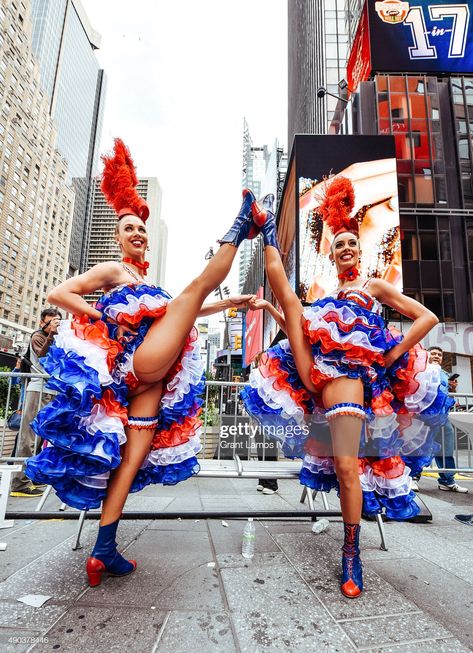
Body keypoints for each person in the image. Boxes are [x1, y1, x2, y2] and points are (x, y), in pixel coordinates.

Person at [24, 139, 257, 587]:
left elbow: (178, 311)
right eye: (129, 228)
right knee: (196, 288)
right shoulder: (114, 270)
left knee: (131, 463)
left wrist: (234, 303)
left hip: (149, 384)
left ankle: (103, 549)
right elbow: (59, 294)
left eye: (142, 230)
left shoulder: (145, 282)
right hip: (135, 367)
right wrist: (100, 316)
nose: (137, 234)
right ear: (117, 235)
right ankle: (241, 224)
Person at [241, 176, 451, 598]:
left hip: (351, 384)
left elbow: (427, 318)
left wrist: (393, 355)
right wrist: (271, 313)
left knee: (346, 467)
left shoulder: (373, 288)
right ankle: (263, 231)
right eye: (339, 245)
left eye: (352, 243)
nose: (347, 249)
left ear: (361, 249)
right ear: (332, 255)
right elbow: (301, 331)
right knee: (288, 299)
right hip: (314, 374)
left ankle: (351, 551)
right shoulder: (323, 298)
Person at [10, 308, 62, 497]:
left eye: (57, 321)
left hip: (52, 392)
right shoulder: (38, 337)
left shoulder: (60, 339)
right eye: (50, 322)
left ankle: (31, 477)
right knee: (28, 437)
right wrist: (51, 335)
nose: (55, 325)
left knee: (40, 438)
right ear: (42, 323)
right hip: (38, 390)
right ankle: (19, 484)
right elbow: (42, 356)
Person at [435, 370, 468, 493]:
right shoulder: (422, 368)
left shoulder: (445, 374)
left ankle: (448, 481)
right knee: (420, 448)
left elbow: (449, 394)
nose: (437, 356)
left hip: (443, 416)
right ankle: (413, 478)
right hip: (424, 415)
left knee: (447, 448)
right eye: (434, 353)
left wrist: (452, 387)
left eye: (439, 354)